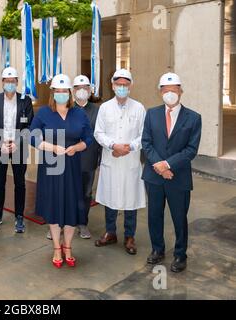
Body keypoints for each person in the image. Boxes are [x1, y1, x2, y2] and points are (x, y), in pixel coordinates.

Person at [30, 74, 93, 268]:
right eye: (57, 91)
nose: (61, 94)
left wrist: (77, 147)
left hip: (73, 167)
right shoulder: (43, 113)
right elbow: (32, 136)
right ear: (52, 93)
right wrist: (52, 148)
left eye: (64, 91)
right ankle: (57, 247)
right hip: (51, 165)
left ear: (70, 93)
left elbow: (88, 138)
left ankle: (68, 247)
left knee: (71, 205)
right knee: (54, 204)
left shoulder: (79, 114)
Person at [142, 72, 202, 273]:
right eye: (166, 90)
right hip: (154, 176)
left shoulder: (193, 118)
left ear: (181, 91)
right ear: (160, 92)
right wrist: (159, 166)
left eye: (174, 90)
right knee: (154, 216)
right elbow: (146, 143)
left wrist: (167, 165)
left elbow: (191, 150)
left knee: (179, 218)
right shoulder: (151, 114)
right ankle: (157, 250)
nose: (170, 93)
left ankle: (180, 254)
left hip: (178, 177)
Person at [94, 69, 146, 255]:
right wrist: (113, 146)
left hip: (130, 160)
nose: (122, 88)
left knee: (130, 199)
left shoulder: (139, 108)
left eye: (125, 85)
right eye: (119, 85)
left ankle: (129, 236)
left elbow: (144, 135)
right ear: (113, 85)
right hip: (111, 158)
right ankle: (110, 232)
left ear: (130, 86)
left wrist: (128, 148)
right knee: (110, 198)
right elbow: (98, 133)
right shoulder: (105, 108)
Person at [0, 67, 34, 233]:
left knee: (19, 183)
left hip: (18, 148)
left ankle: (19, 216)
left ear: (17, 82)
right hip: (0, 146)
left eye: (13, 81)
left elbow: (29, 126)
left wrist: (17, 142)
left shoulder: (25, 100)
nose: (10, 84)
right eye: (7, 81)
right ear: (2, 83)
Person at [72, 75, 101, 240]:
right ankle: (63, 222)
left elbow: (100, 135)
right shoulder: (67, 109)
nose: (82, 91)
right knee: (68, 191)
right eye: (78, 88)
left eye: (85, 88)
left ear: (90, 90)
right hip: (69, 158)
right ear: (73, 91)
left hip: (89, 158)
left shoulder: (97, 110)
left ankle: (82, 223)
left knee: (86, 192)